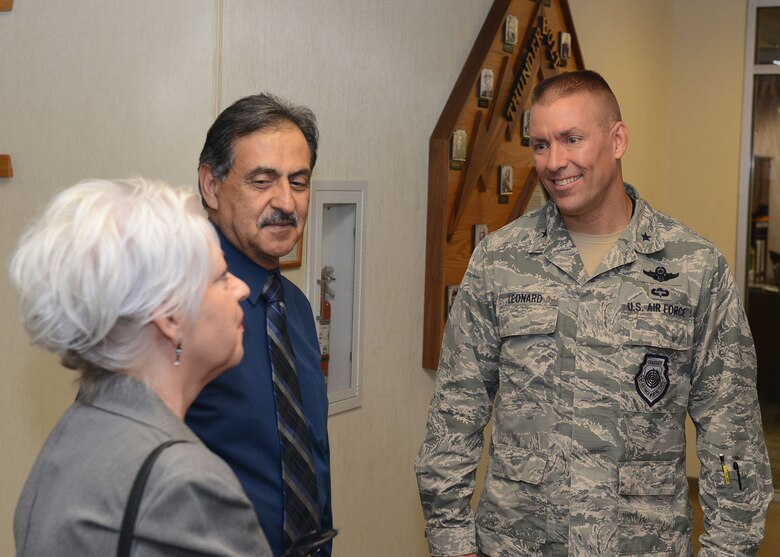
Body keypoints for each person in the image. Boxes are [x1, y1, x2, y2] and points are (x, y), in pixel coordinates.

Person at [416, 70, 773, 556]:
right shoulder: (500, 261)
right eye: (540, 144)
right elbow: (455, 413)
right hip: (519, 545)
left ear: (617, 139)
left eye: (571, 139)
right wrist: (452, 539)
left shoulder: (693, 267)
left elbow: (731, 433)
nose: (554, 162)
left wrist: (728, 549)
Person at [11, 178, 271, 556]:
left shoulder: (74, 433)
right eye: (220, 278)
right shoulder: (185, 483)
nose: (242, 289)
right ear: (169, 316)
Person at [187, 93, 333, 557]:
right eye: (262, 181)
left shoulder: (295, 307)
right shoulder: (175, 303)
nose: (285, 202)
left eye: (299, 182)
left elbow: (307, 459)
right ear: (212, 186)